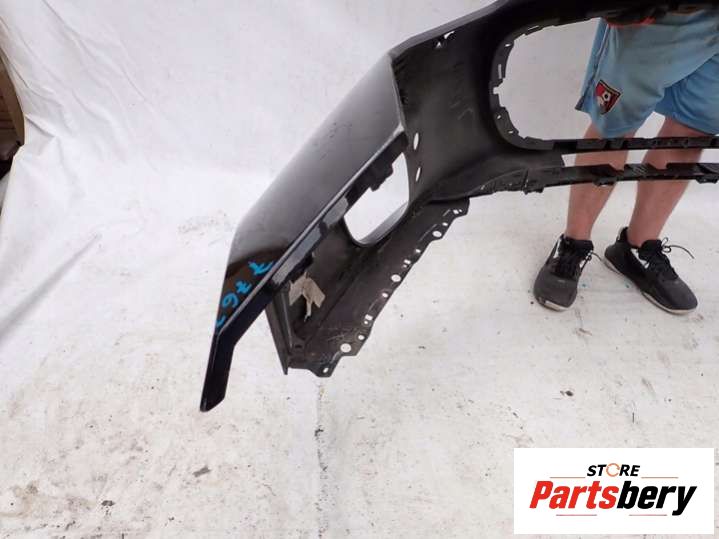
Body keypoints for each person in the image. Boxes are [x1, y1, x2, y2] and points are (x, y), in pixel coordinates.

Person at [533, 8, 719, 314]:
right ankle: (573, 243)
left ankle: (637, 248)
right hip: (669, 10)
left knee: (694, 131)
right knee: (614, 126)